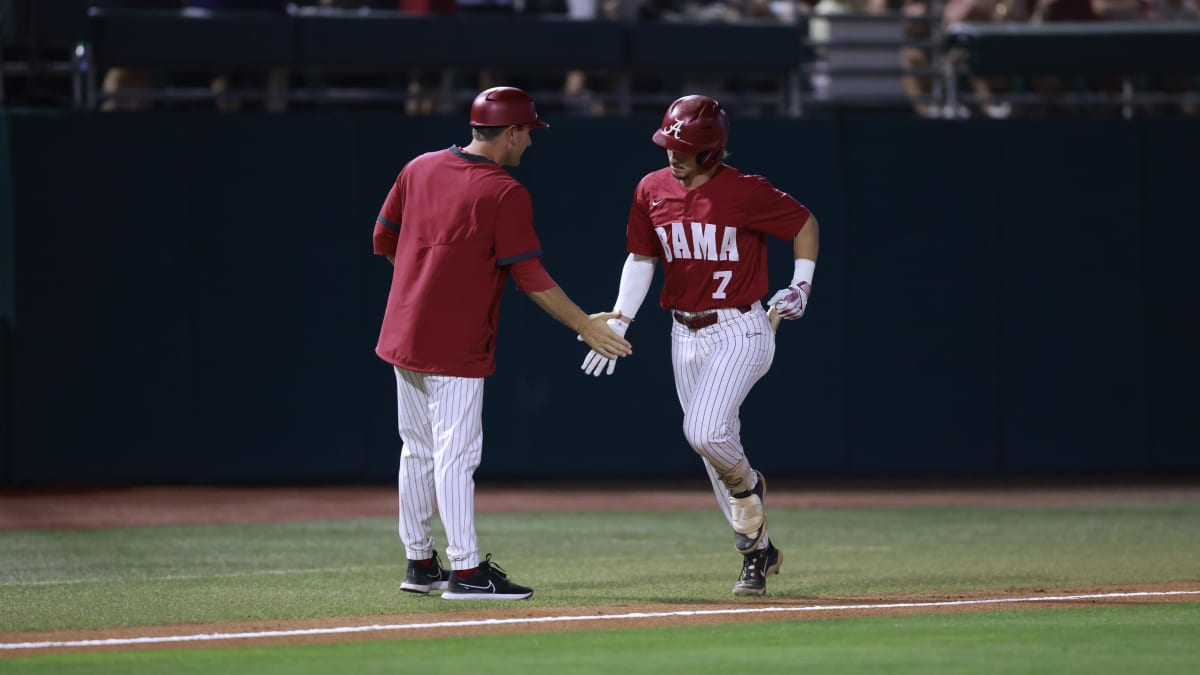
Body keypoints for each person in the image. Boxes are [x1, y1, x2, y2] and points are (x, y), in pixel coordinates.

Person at [373, 86, 633, 600]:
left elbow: (384, 241)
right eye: (528, 133)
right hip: (455, 343)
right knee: (455, 455)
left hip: (402, 333)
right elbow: (530, 275)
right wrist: (585, 325)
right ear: (510, 132)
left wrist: (424, 287)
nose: (530, 144)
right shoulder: (503, 191)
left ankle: (420, 563)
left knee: (417, 450)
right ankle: (466, 573)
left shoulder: (418, 167)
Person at [578, 95, 818, 597]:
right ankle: (758, 553)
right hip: (682, 332)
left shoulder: (745, 191)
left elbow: (803, 224)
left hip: (742, 327)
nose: (670, 152)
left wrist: (801, 284)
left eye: (681, 146)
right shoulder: (651, 188)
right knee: (712, 450)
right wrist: (621, 317)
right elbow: (641, 258)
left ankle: (750, 485)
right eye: (668, 142)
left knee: (706, 432)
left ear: (711, 151)